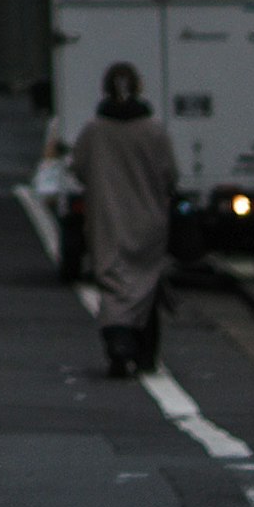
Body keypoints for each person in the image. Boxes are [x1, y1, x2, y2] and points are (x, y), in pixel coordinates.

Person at [67, 60, 176, 378]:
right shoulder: (153, 131)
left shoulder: (94, 132)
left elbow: (79, 169)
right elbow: (170, 174)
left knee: (114, 280)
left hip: (107, 218)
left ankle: (118, 339)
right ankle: (144, 348)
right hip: (149, 218)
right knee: (146, 279)